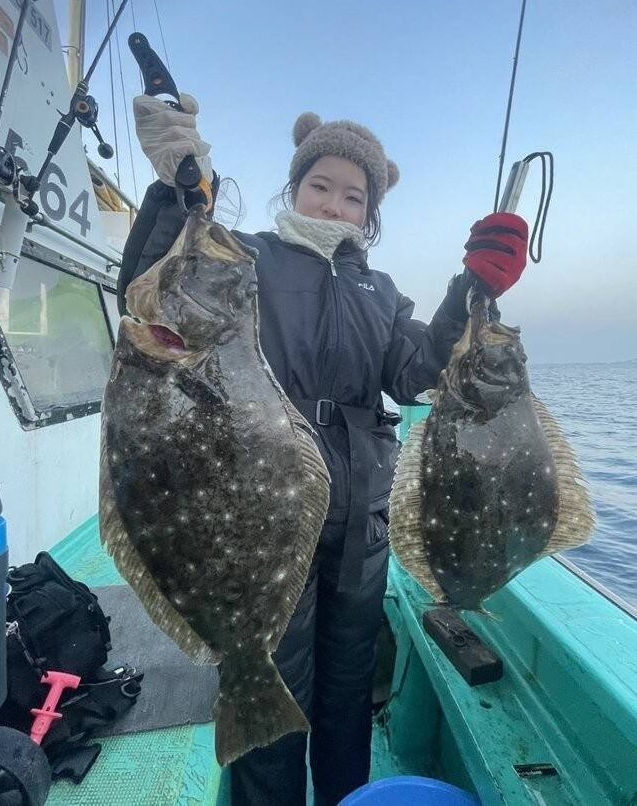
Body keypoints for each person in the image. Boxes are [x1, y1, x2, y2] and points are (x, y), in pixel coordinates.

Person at [118, 95, 529, 806]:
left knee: (347, 689)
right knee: (270, 685)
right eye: (321, 185)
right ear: (295, 184)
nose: (335, 204)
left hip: (362, 525)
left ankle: (348, 795)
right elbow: (158, 291)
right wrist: (177, 187)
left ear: (369, 212)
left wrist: (473, 287)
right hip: (262, 518)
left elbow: (417, 371)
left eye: (353, 195)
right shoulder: (246, 258)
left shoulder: (380, 291)